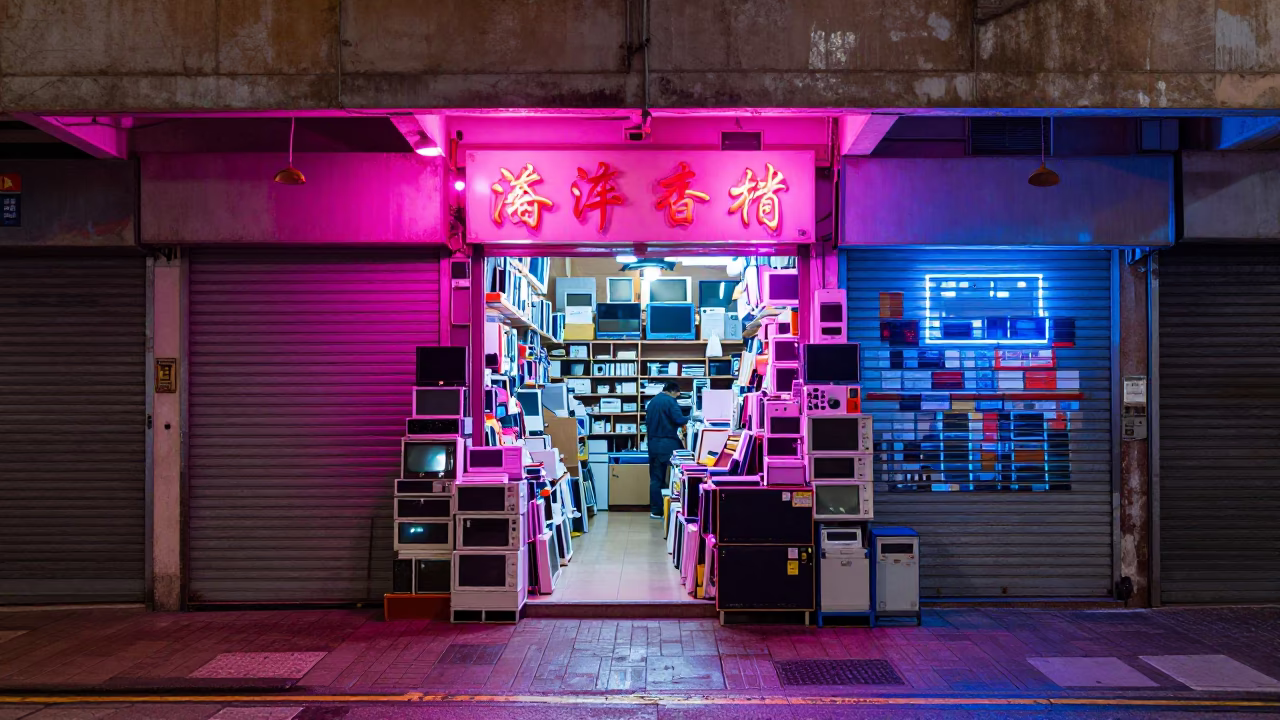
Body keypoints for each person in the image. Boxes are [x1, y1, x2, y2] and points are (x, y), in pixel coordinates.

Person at [645, 381, 689, 519]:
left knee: (656, 478)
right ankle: (677, 509)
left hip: (653, 445)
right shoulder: (670, 401)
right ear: (673, 391)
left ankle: (656, 511)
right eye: (677, 394)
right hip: (668, 445)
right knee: (677, 476)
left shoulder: (652, 402)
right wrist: (692, 418)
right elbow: (679, 419)